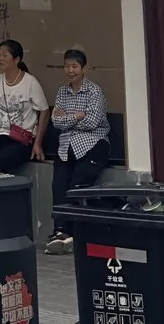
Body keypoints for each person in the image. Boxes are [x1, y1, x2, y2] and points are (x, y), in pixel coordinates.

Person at [44, 47, 115, 252]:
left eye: (74, 66)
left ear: (84, 69)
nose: (70, 70)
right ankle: (60, 231)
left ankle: (75, 233)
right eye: (67, 66)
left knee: (77, 186)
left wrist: (70, 117)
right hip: (66, 146)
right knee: (58, 186)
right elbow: (56, 121)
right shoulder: (62, 91)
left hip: (92, 144)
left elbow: (93, 122)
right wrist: (77, 115)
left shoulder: (94, 91)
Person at [0, 39, 50, 178]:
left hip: (21, 140)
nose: (0, 58)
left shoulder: (30, 82)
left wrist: (37, 143)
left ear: (16, 59)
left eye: (5, 55)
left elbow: (44, 111)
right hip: (0, 137)